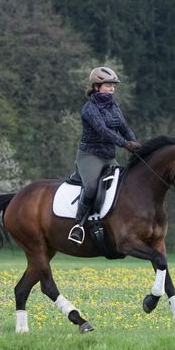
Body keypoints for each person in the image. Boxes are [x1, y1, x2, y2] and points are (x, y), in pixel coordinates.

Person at [68, 66, 141, 244]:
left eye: (113, 85)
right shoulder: (89, 108)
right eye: (108, 85)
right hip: (89, 155)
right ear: (96, 86)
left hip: (108, 156)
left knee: (124, 185)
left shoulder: (114, 107)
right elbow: (102, 131)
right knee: (92, 187)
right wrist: (125, 144)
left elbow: (124, 128)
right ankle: (78, 225)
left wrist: (136, 145)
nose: (112, 88)